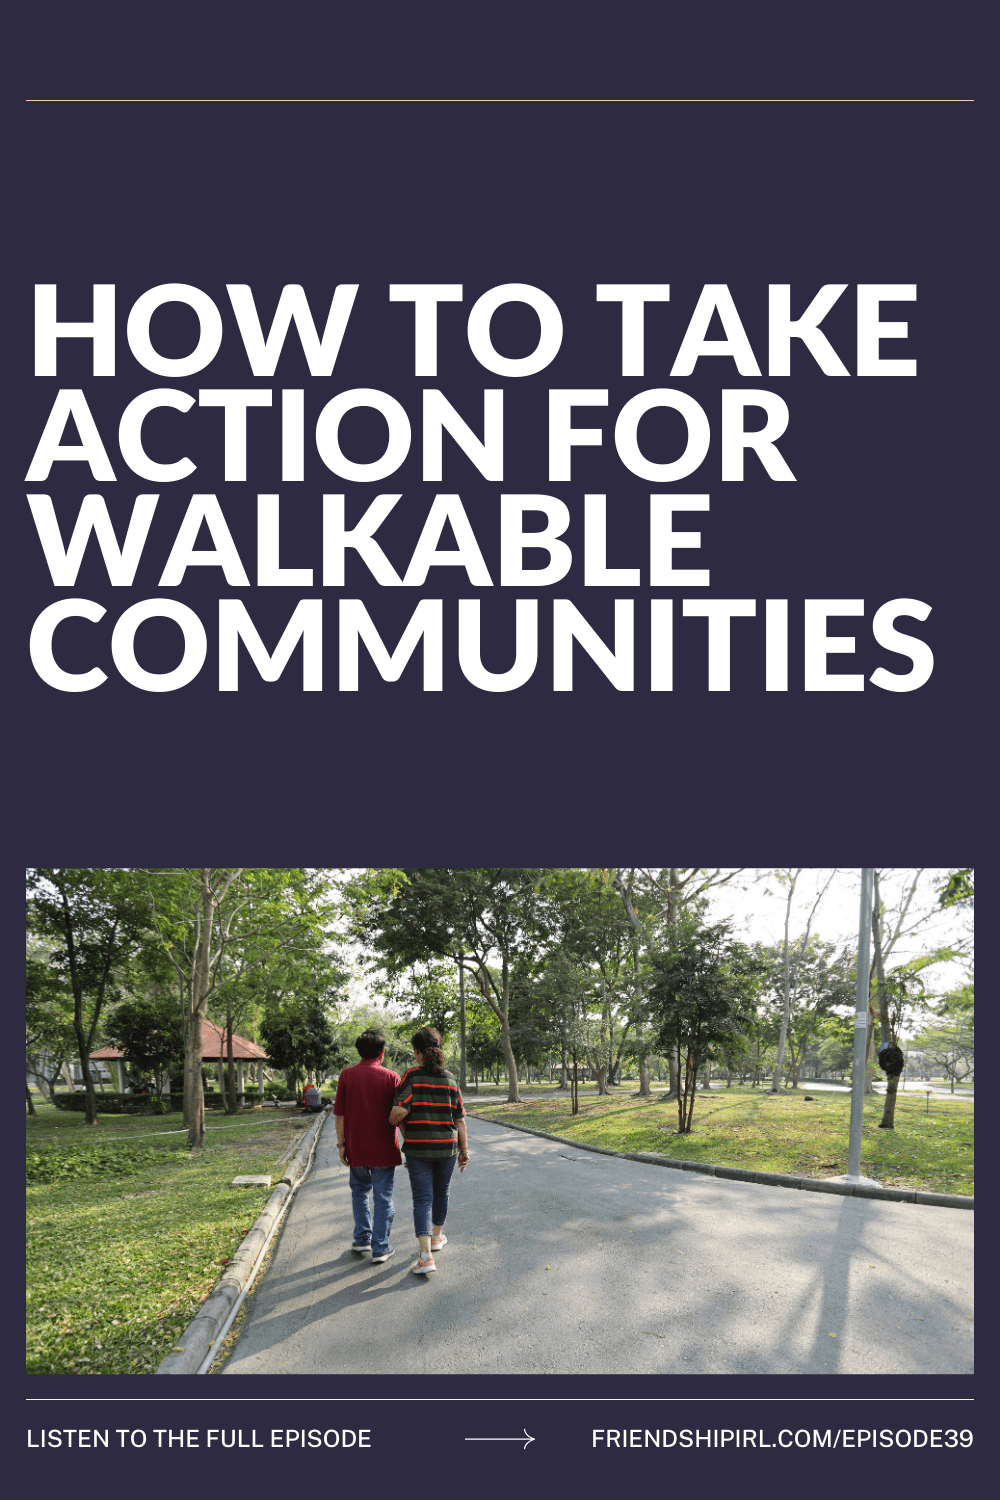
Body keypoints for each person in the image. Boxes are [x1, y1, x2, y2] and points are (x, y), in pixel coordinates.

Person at [389, 1026, 469, 1274]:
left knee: (422, 1199)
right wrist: (464, 1150)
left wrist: (395, 1118)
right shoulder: (451, 1079)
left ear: (417, 1052)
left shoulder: (412, 1076)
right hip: (448, 1148)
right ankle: (436, 1237)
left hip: (419, 1149)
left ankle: (425, 1257)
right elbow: (460, 1120)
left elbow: (398, 1111)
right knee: (441, 1191)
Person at [333, 1029, 402, 1263]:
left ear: (359, 1051)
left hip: (357, 1148)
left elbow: (340, 1115)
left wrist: (341, 1145)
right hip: (384, 1149)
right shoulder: (391, 1077)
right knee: (383, 1197)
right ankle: (380, 1247)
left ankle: (363, 1238)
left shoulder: (346, 1075)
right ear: (382, 1053)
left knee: (360, 1192)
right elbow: (399, 1114)